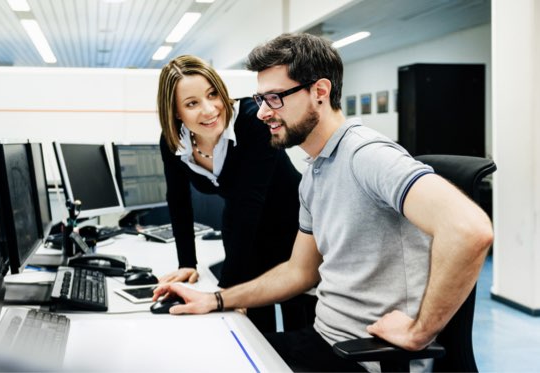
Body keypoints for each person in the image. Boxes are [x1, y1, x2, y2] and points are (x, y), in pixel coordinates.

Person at [152, 35, 493, 372]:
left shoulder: (367, 155)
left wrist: (420, 332)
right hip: (322, 342)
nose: (261, 113)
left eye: (275, 98)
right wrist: (216, 299)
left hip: (365, 355)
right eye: (261, 98)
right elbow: (298, 271)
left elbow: (469, 229)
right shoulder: (317, 170)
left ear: (319, 92)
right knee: (203, 353)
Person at [155, 55, 316, 334]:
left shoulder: (253, 121)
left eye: (212, 94)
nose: (209, 110)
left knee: (296, 312)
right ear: (176, 112)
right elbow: (178, 200)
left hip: (291, 220)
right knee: (250, 318)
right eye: (192, 103)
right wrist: (186, 262)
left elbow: (249, 202)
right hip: (240, 225)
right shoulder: (173, 140)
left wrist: (224, 292)